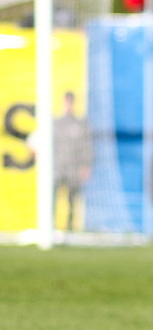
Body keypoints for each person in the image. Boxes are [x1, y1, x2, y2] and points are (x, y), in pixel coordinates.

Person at [54, 91, 93, 231]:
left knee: (72, 199)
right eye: (66, 102)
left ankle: (70, 227)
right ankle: (51, 226)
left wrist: (86, 165)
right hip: (58, 167)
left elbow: (87, 146)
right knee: (53, 197)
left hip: (73, 168)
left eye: (70, 102)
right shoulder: (56, 123)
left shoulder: (80, 124)